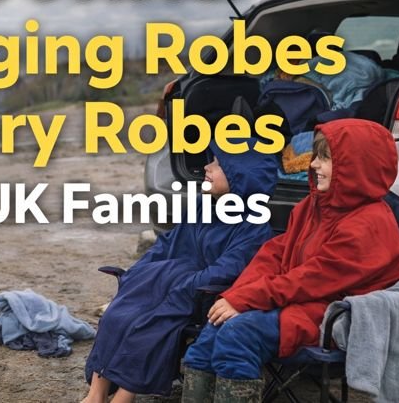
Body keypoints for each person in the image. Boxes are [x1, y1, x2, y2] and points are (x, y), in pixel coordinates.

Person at [181, 119, 399, 402]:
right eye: (317, 156)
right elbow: (273, 255)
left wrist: (248, 300)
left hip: (337, 314)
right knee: (208, 337)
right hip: (300, 301)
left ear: (356, 166)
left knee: (238, 335)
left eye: (325, 159)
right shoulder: (312, 207)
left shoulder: (369, 224)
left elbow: (313, 277)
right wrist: (237, 296)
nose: (312, 165)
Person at [83, 139, 279, 402]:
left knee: (150, 323)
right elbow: (166, 245)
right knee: (118, 313)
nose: (207, 167)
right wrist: (137, 274)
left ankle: (125, 395)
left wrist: (176, 285)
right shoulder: (203, 205)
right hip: (168, 283)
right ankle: (96, 394)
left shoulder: (253, 228)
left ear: (240, 176)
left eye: (218, 165)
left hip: (202, 295)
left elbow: (226, 271)